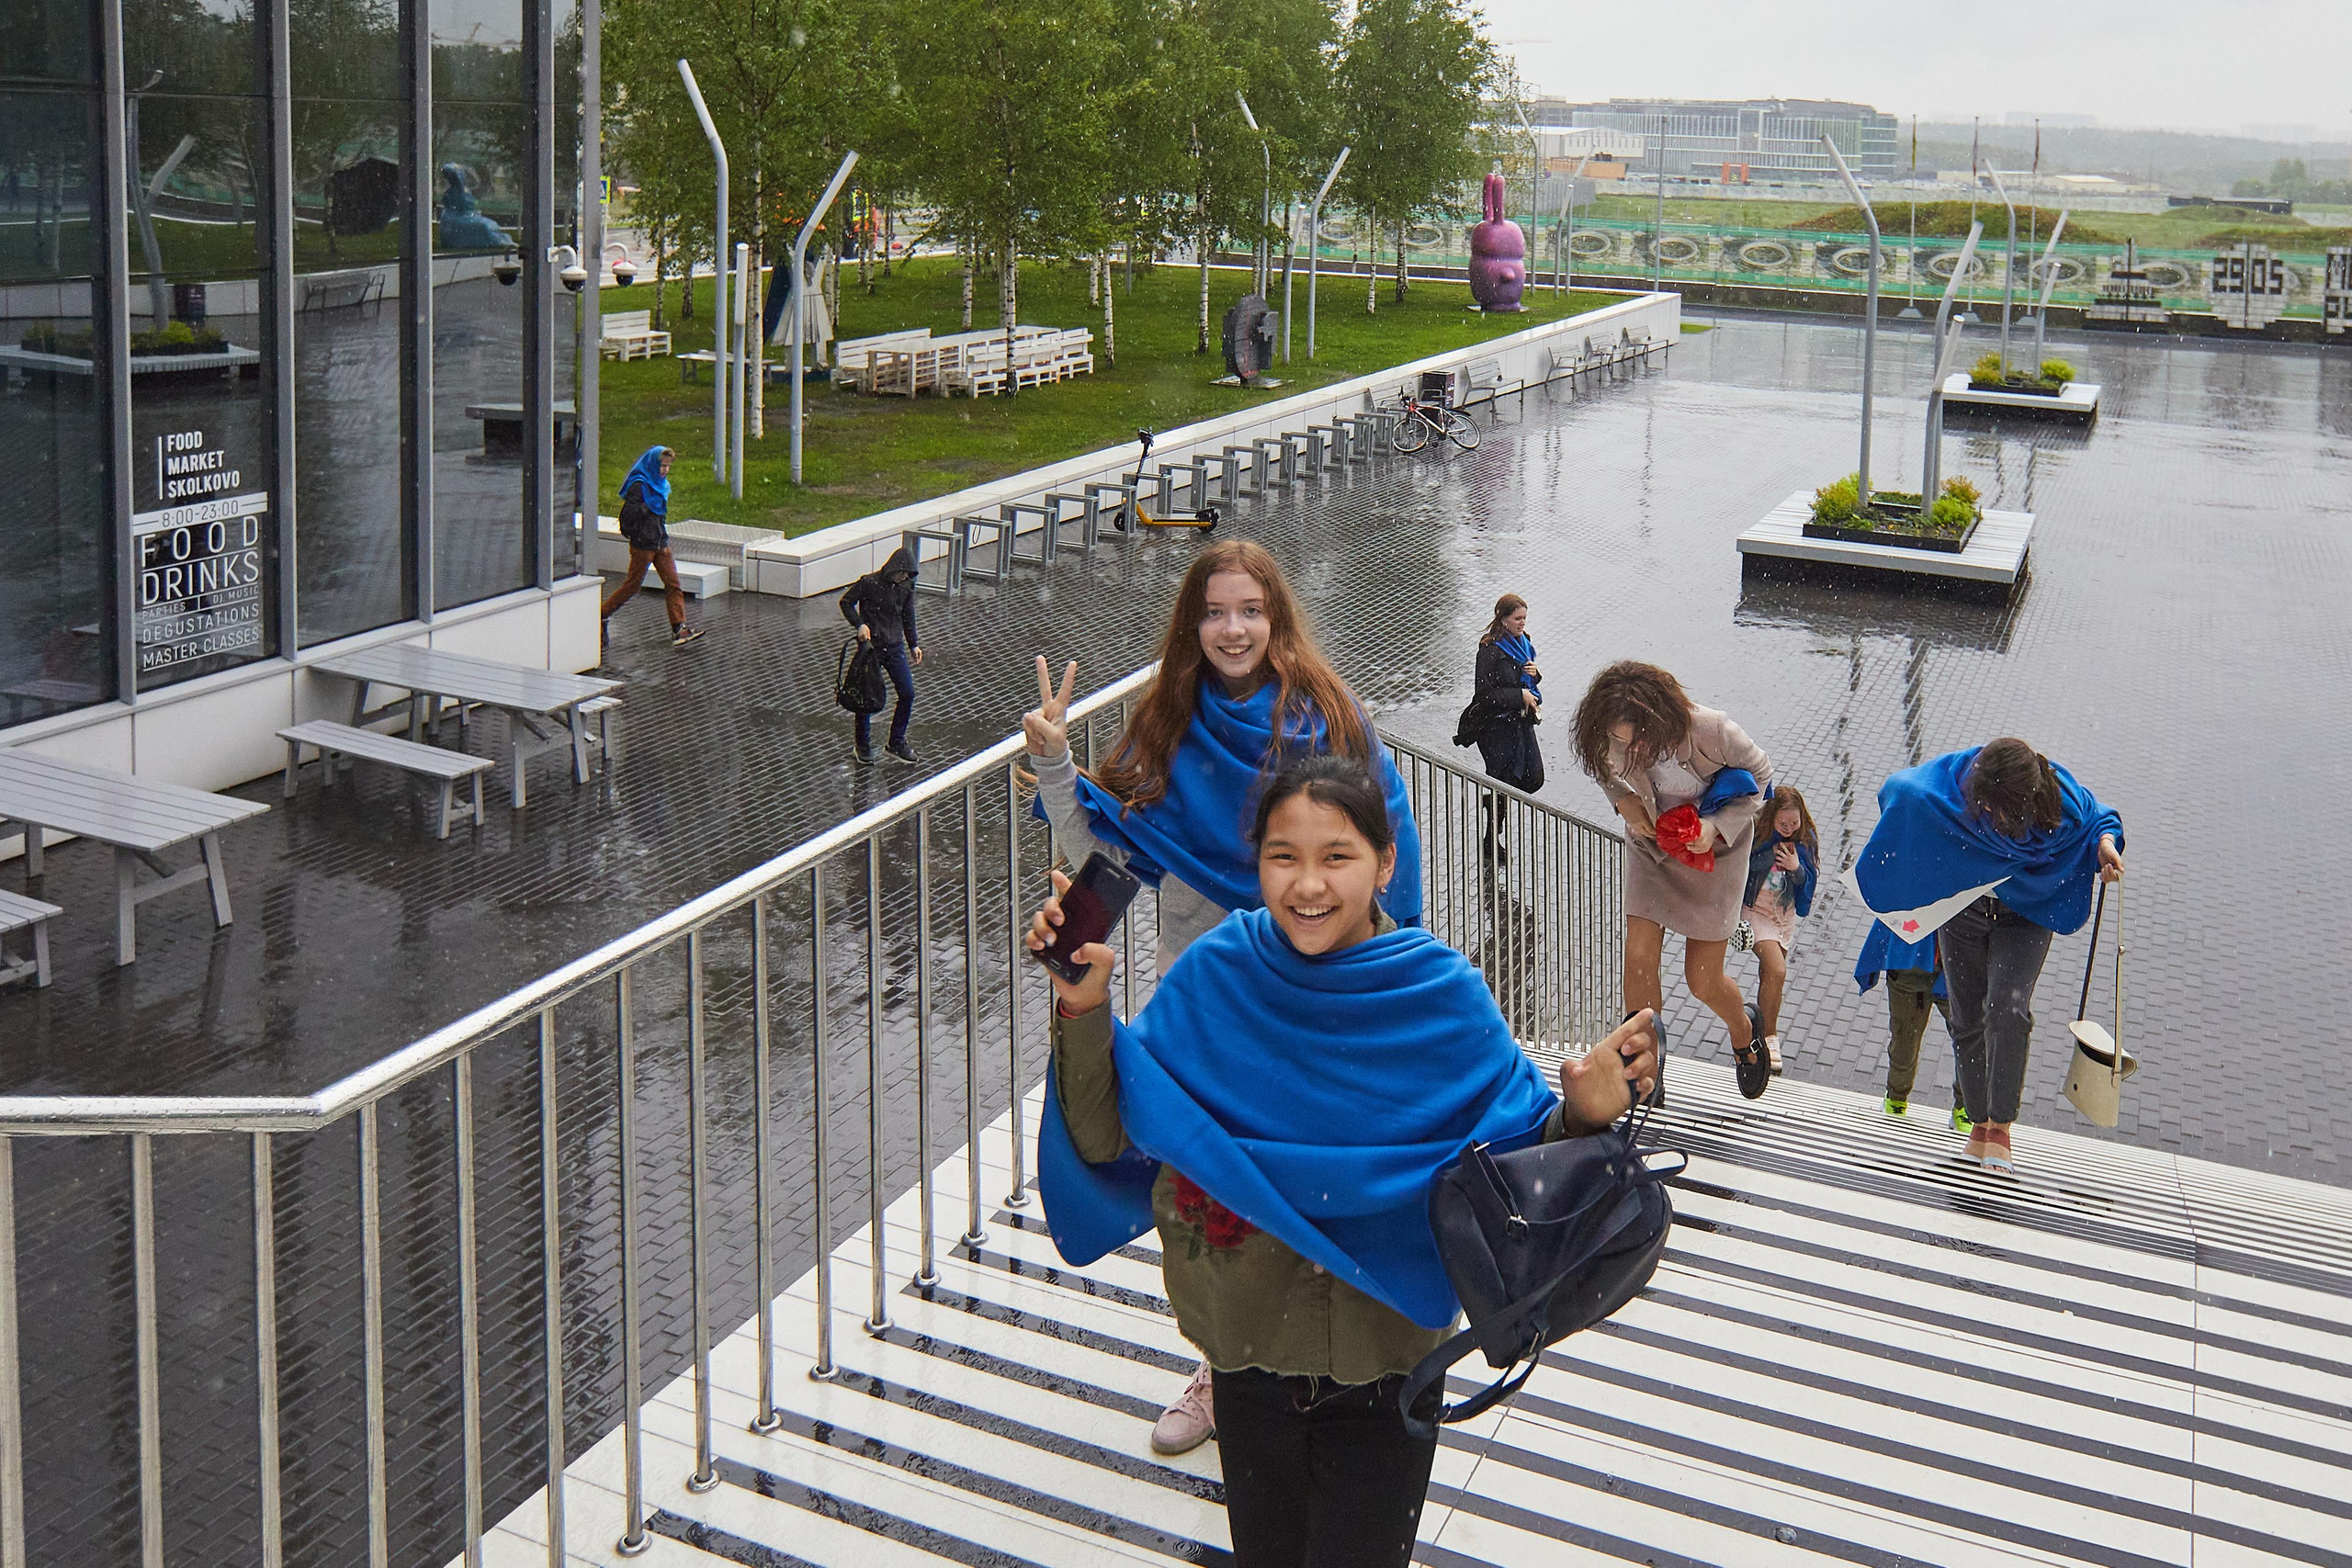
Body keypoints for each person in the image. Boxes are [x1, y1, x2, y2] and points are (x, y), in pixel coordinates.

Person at [1033, 755, 1659, 1568]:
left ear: (1385, 862)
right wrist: (1082, 1005)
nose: (1307, 885)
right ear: (1254, 861)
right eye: (1282, 856)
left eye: (1337, 856)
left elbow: (1508, 1174)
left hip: (1391, 1365)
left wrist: (1582, 1112)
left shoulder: (1442, 995)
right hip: (1246, 1356)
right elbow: (1105, 1132)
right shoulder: (1217, 976)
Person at [1023, 537, 1425, 1458]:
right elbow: (1117, 844)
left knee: (1307, 1169)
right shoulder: (1168, 717)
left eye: (1249, 610)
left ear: (1277, 618)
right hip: (1205, 993)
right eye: (1214, 612)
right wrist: (1054, 762)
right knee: (1208, 1188)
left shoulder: (1330, 719)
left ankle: (1334, 1350)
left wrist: (1382, 987)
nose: (1232, 629)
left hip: (1316, 991)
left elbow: (1384, 853)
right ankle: (1221, 1364)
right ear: (1192, 624)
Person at [1849, 738, 2123, 1173]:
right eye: (1987, 810)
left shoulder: (2058, 798)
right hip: (1966, 910)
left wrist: (2106, 846)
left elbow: (2099, 819)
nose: (1993, 819)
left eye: (2002, 812)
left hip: (2026, 913)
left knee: (2008, 1009)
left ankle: (2001, 1128)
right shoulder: (1955, 789)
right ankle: (1979, 1123)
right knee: (1967, 1012)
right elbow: (1900, 790)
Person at [1572, 660, 1773, 1102]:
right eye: (1618, 740)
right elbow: (1600, 764)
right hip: (1653, 847)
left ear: (1659, 719)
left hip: (1714, 853)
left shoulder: (1714, 729)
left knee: (1702, 979)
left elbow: (1761, 778)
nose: (1626, 748)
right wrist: (1622, 800)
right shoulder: (1613, 735)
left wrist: (1716, 826)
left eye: (1634, 738)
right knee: (1638, 959)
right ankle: (1648, 1066)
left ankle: (1744, 1030)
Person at [1454, 593, 1544, 863]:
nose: (1522, 623)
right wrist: (1519, 696)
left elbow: (1530, 679)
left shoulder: (1523, 642)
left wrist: (1535, 677)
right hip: (1494, 728)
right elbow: (1484, 694)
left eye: (1524, 618)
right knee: (1502, 782)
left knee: (1533, 778)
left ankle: (1492, 802)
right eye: (1517, 618)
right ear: (1503, 619)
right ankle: (1491, 840)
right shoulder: (1490, 650)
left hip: (1519, 723)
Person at [1739, 785, 1817, 1076]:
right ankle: (1770, 1039)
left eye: (1793, 823)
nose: (1788, 829)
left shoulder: (1804, 842)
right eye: (1782, 823)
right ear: (1771, 819)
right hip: (1755, 912)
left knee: (1769, 977)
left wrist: (1796, 868)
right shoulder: (1760, 836)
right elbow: (1743, 864)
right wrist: (1770, 856)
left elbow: (1808, 882)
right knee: (1777, 970)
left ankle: (1758, 1032)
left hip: (1783, 918)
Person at [1854, 926, 1962, 1128]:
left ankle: (1896, 1099)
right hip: (1946, 960)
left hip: (1912, 956)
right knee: (1969, 1041)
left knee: (1906, 1038)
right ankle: (1965, 1109)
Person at [600, 446, 704, 649]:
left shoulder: (661, 486)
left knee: (673, 584)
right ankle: (602, 615)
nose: (664, 470)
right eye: (661, 466)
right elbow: (626, 519)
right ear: (652, 464)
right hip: (643, 545)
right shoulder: (639, 486)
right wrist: (644, 512)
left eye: (667, 466)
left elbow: (660, 516)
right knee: (632, 586)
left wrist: (661, 535)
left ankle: (679, 628)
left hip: (660, 543)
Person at [838, 547, 922, 764]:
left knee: (907, 692)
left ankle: (896, 742)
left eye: (907, 575)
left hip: (894, 647)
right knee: (865, 698)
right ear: (894, 568)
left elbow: (907, 615)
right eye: (903, 573)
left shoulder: (905, 588)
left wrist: (913, 644)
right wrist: (860, 624)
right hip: (871, 649)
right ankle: (862, 745)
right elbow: (846, 602)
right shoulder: (869, 583)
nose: (904, 577)